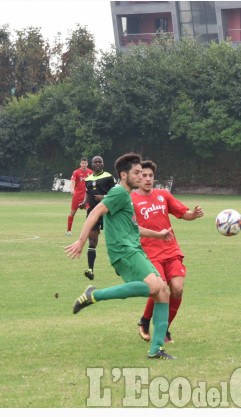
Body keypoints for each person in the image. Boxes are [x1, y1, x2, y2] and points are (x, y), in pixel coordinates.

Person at [65, 153, 176, 359]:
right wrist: (81, 241)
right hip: (124, 251)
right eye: (137, 173)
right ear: (124, 175)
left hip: (134, 249)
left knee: (163, 291)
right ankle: (94, 295)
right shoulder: (119, 193)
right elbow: (96, 212)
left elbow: (133, 227)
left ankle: (156, 349)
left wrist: (158, 234)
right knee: (154, 287)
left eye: (142, 174)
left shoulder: (125, 196)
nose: (141, 177)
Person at [132, 160, 203, 344]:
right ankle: (145, 321)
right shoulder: (131, 200)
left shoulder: (163, 195)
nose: (148, 179)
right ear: (138, 177)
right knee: (160, 289)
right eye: (144, 176)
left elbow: (183, 213)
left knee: (177, 289)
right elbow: (129, 228)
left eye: (150, 176)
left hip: (171, 251)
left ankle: (164, 328)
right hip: (149, 253)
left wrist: (193, 214)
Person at [79, 156, 116, 280]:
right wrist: (84, 202)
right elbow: (87, 193)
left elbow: (117, 194)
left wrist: (104, 197)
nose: (98, 164)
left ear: (103, 164)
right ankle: (90, 270)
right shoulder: (88, 179)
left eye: (100, 161)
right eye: (96, 162)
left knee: (112, 241)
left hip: (107, 212)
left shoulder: (109, 177)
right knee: (92, 241)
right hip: (93, 213)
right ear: (92, 164)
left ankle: (118, 266)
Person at [66, 157, 93, 236]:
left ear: (87, 164)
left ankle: (89, 230)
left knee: (90, 212)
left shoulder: (90, 172)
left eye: (85, 163)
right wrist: (72, 189)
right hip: (77, 196)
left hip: (86, 197)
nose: (84, 164)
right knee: (72, 213)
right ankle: (68, 231)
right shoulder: (76, 172)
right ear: (80, 164)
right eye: (82, 163)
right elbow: (72, 181)